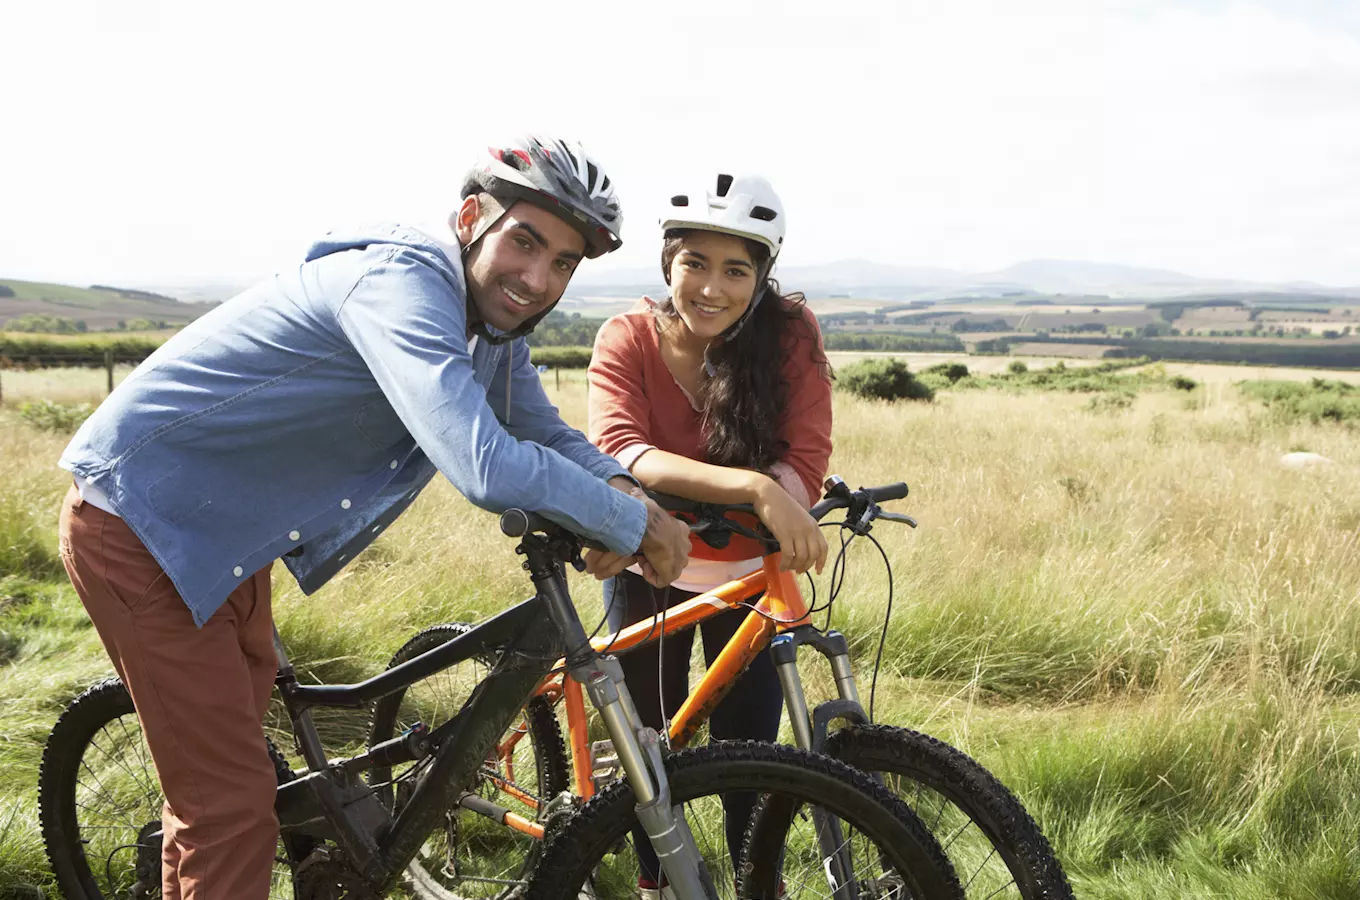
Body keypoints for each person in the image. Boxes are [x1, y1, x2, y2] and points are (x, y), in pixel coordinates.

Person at [55, 134, 692, 900]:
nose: (538, 278)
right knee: (228, 806)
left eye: (563, 263)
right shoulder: (402, 282)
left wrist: (627, 492)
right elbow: (483, 462)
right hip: (138, 519)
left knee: (219, 775)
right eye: (526, 242)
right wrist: (627, 526)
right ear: (469, 218)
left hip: (225, 537)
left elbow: (541, 430)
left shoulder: (487, 328)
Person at [587, 173, 833, 894]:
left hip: (749, 579)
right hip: (649, 569)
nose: (712, 287)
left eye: (736, 270)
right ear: (669, 264)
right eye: (695, 262)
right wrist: (754, 488)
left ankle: (759, 888)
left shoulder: (789, 333)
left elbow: (807, 455)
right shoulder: (627, 336)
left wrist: (778, 490)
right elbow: (622, 450)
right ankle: (655, 887)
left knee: (749, 760)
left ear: (761, 278)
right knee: (648, 755)